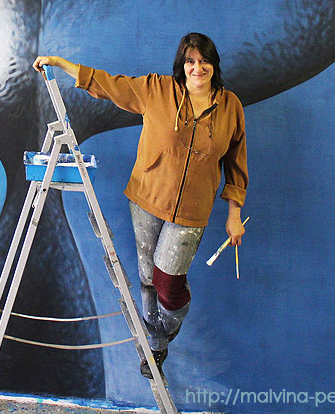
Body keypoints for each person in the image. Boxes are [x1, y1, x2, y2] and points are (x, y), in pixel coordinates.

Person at [32, 32, 247, 379]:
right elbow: (108, 84)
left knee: (167, 282)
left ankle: (166, 329)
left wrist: (234, 214)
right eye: (191, 61)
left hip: (192, 211)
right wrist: (60, 63)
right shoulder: (157, 89)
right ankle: (155, 349)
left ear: (214, 65)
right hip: (146, 199)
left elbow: (236, 163)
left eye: (204, 61)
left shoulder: (230, 106)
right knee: (147, 278)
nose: (197, 68)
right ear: (182, 65)